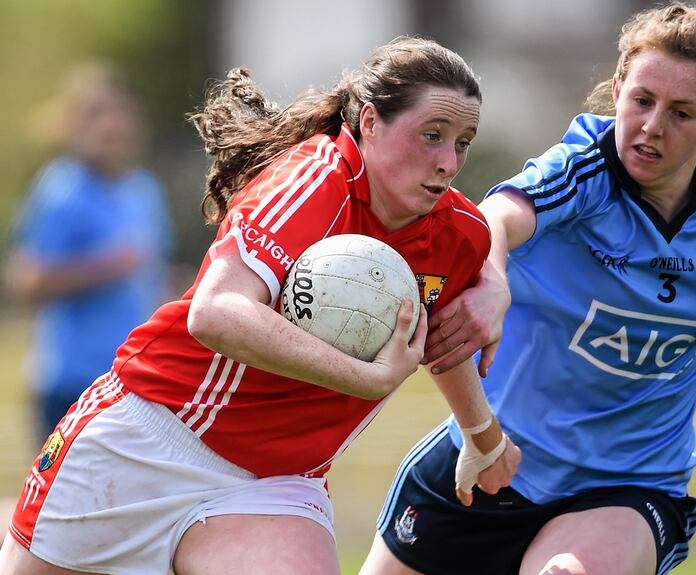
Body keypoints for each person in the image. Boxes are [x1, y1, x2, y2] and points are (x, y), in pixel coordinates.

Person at [0, 37, 519, 575]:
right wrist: (363, 378)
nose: (448, 162)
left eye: (463, 143)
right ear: (369, 122)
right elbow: (216, 310)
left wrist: (483, 435)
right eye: (432, 135)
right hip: (155, 437)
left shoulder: (460, 235)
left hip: (276, 483)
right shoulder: (315, 181)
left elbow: (442, 332)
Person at [362, 4, 696, 575]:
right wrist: (492, 282)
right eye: (641, 101)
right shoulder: (582, 174)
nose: (652, 126)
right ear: (617, 89)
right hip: (493, 457)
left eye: (683, 113)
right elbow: (496, 215)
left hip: (627, 487)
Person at [3, 63, 174, 445]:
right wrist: (105, 267)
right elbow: (26, 280)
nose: (110, 125)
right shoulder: (62, 190)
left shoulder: (143, 190)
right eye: (97, 114)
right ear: (75, 125)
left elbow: (150, 275)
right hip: (70, 384)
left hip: (130, 381)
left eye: (118, 113)